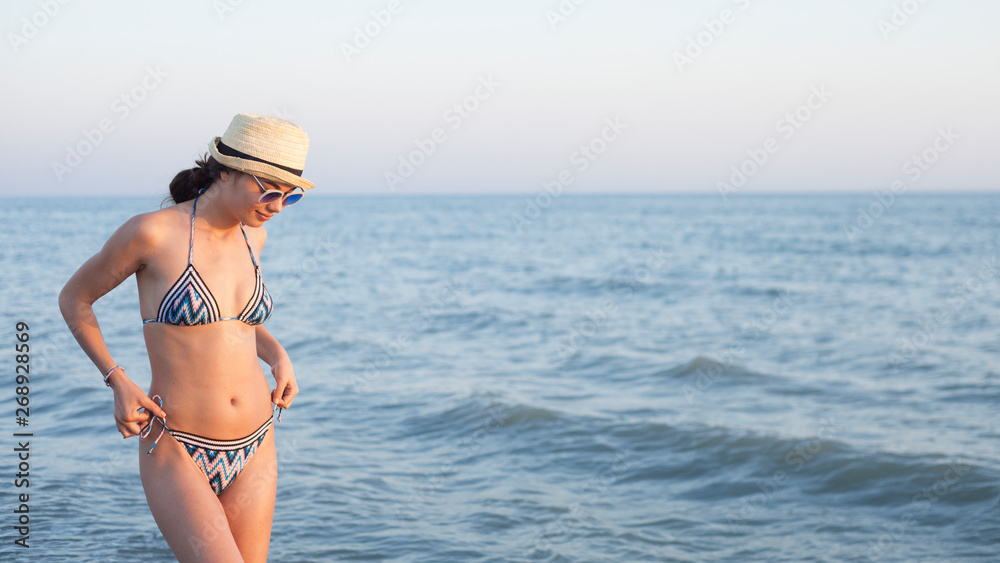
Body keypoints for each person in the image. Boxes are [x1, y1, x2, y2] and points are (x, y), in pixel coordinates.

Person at [59, 113, 314, 562]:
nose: (276, 206)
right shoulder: (152, 233)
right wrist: (117, 379)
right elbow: (74, 300)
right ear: (227, 169)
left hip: (257, 439)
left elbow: (236, 323)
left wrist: (278, 357)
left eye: (289, 197)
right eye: (269, 190)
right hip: (178, 442)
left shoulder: (254, 239)